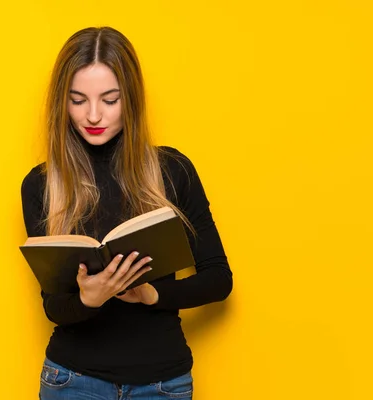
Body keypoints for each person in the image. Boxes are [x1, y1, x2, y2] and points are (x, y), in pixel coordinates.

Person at [21, 26, 233, 400]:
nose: (93, 114)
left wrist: (151, 294)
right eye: (77, 100)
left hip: (162, 383)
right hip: (72, 381)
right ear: (62, 102)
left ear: (131, 99)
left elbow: (219, 279)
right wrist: (90, 297)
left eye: (110, 99)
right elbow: (54, 306)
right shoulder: (42, 185)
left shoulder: (173, 170)